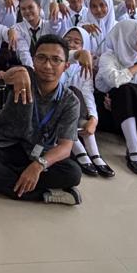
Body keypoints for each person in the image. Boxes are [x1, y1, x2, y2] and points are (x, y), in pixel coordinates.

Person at [0, 35, 83, 205]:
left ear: (66, 66)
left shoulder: (70, 101)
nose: (47, 65)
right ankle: (45, 195)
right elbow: (7, 76)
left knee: (72, 173)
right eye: (41, 58)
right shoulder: (25, 77)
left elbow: (65, 147)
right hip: (4, 146)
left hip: (38, 152)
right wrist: (19, 71)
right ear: (33, 60)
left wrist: (38, 166)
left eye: (55, 60)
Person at [95, 20, 137, 176]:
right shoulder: (109, 57)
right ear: (127, 35)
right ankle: (133, 149)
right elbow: (114, 80)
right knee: (125, 88)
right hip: (112, 115)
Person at [59, 26, 109, 177]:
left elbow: (88, 94)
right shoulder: (57, 59)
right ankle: (80, 151)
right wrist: (78, 55)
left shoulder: (84, 67)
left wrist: (93, 118)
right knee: (71, 92)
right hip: (53, 108)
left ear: (84, 45)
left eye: (77, 42)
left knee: (77, 94)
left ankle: (94, 153)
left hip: (75, 112)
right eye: (67, 40)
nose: (71, 44)